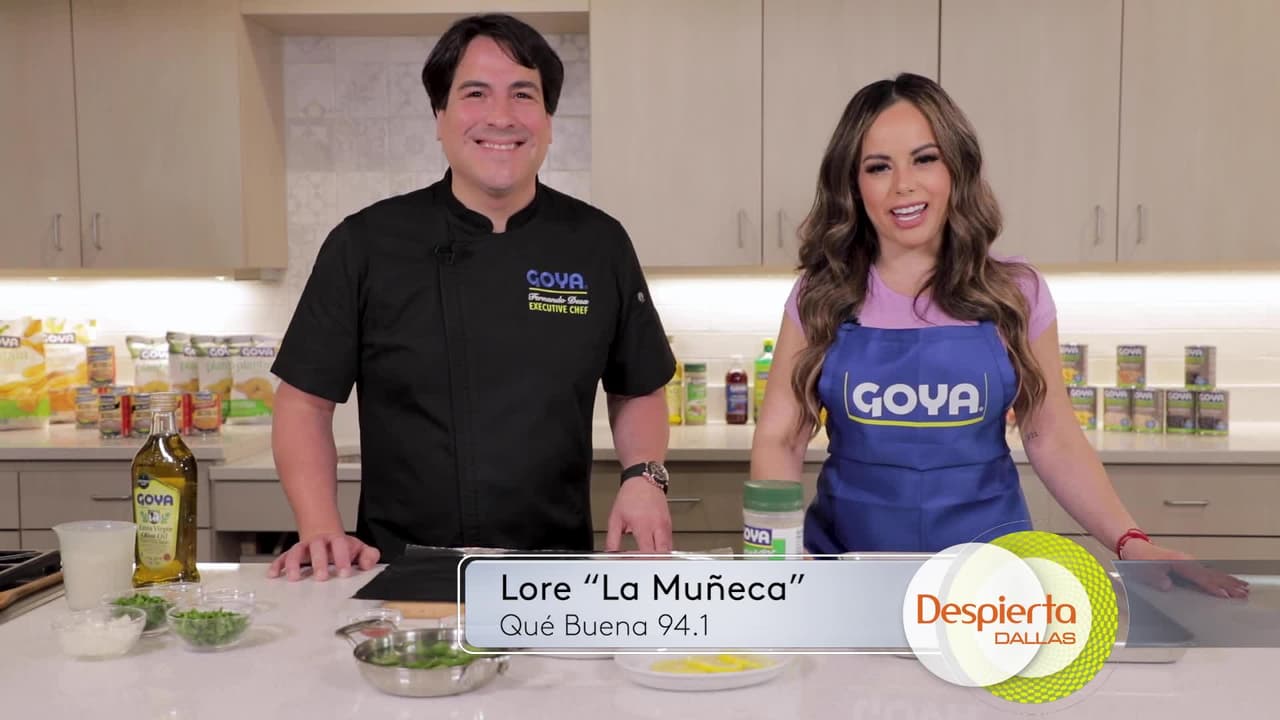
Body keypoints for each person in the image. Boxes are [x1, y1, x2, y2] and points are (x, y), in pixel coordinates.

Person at [749, 73, 1246, 597]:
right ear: (853, 184)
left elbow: (1051, 434)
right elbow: (782, 435)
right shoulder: (821, 295)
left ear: (956, 167)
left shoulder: (1015, 293)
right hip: (849, 573)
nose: (903, 185)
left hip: (987, 584)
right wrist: (778, 553)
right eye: (878, 167)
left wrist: (1131, 542)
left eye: (925, 159)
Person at [267, 14, 676, 581]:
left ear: (548, 121)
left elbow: (638, 388)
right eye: (475, 93)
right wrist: (319, 528)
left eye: (523, 94)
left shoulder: (598, 243)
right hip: (398, 569)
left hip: (553, 573)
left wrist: (644, 476)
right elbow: (303, 404)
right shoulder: (365, 243)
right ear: (440, 115)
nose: (501, 116)